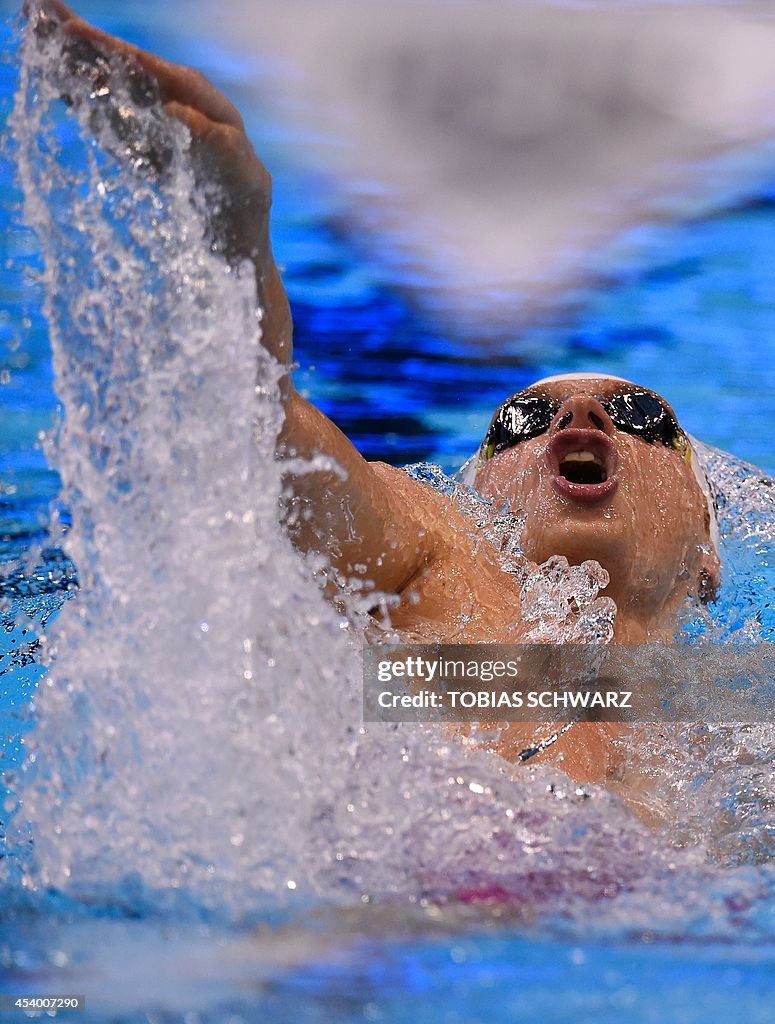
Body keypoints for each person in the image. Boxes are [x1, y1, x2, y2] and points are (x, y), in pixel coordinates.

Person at [27, 1, 722, 788]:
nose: (578, 417)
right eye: (521, 421)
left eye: (638, 415)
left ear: (707, 545)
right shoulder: (436, 562)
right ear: (474, 495)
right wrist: (233, 223)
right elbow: (263, 435)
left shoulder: (730, 708)